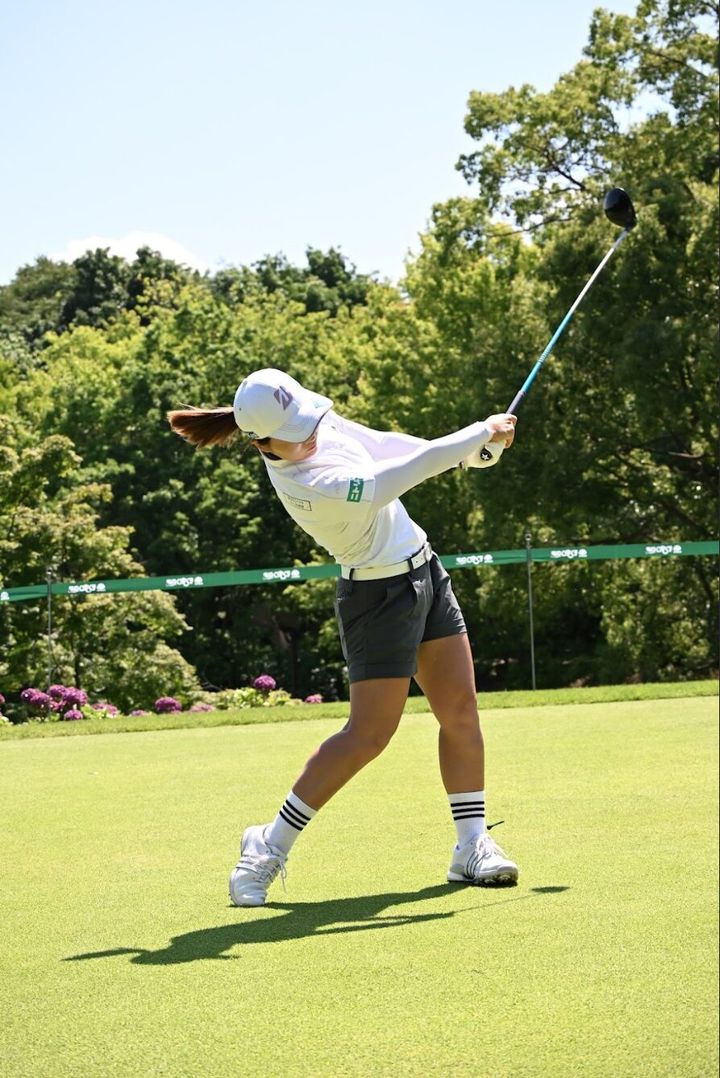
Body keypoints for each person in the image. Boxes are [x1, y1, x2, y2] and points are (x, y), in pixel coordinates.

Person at [167, 368, 519, 906]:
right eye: (297, 428)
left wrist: (478, 451)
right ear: (262, 442)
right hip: (375, 599)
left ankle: (471, 845)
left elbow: (387, 447)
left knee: (461, 710)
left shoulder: (314, 427)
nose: (311, 431)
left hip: (425, 571)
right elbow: (387, 482)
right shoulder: (304, 486)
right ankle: (268, 843)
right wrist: (472, 435)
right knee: (367, 736)